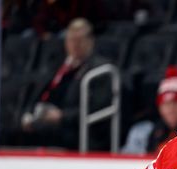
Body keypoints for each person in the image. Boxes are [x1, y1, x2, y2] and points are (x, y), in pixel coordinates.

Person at [18, 18, 110, 151]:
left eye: (80, 40)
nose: (75, 45)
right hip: (46, 119)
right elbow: (37, 92)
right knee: (13, 129)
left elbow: (98, 108)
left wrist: (62, 116)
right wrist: (29, 112)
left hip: (75, 128)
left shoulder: (100, 69)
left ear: (90, 41)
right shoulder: (56, 64)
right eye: (71, 40)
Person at [121, 66, 177, 155]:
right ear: (159, 107)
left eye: (176, 103)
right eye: (166, 104)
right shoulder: (146, 133)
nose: (171, 109)